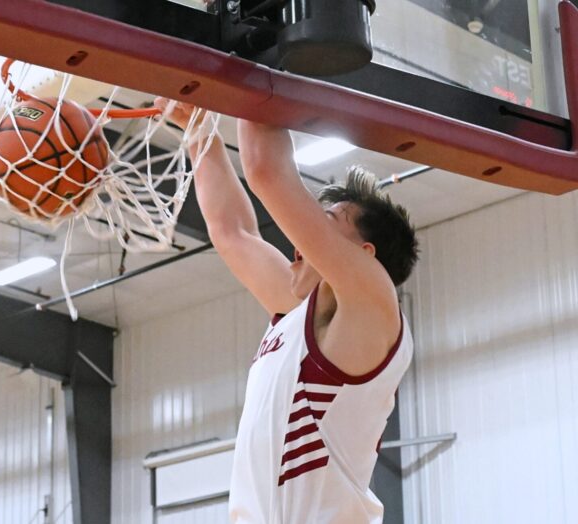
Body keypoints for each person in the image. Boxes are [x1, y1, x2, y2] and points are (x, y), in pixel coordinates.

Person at [155, 98, 419, 523]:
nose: (299, 237)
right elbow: (233, 230)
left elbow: (264, 169)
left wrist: (246, 64)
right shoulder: (298, 313)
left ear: (364, 255)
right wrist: (198, 129)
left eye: (326, 220)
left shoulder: (373, 304)